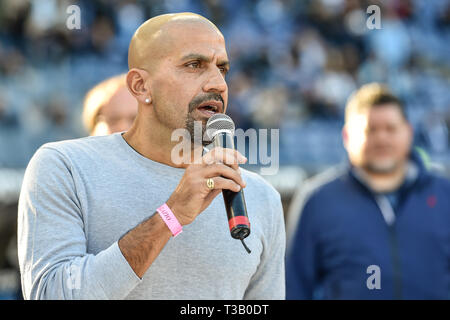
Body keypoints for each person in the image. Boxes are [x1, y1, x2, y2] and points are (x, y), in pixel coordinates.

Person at [17, 12, 285, 300]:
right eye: (194, 65)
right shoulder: (64, 167)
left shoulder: (260, 197)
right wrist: (170, 216)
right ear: (140, 86)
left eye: (223, 68)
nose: (218, 84)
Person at [286, 83, 450, 300]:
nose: (381, 138)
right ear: (346, 136)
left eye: (391, 128)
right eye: (370, 130)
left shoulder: (444, 194)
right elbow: (293, 288)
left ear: (408, 132)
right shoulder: (318, 200)